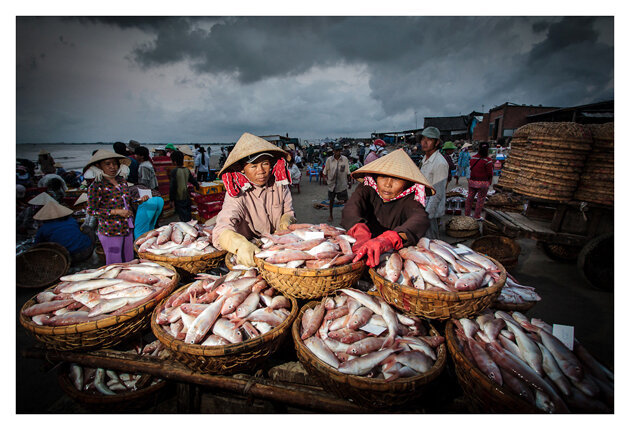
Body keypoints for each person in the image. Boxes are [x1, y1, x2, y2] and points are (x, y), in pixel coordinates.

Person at [211, 133, 296, 266]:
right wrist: (239, 244)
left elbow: (289, 211)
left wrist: (287, 218)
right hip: (252, 249)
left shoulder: (279, 184)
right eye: (253, 166)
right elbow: (222, 228)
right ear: (242, 169)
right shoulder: (237, 191)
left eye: (265, 164)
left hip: (277, 246)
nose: (261, 171)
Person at [342, 149, 434, 267]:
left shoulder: (410, 198)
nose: (388, 184)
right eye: (383, 177)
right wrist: (359, 229)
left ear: (407, 182)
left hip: (393, 254)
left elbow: (420, 218)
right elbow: (351, 207)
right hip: (362, 246)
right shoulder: (367, 189)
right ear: (376, 177)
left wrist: (391, 238)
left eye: (396, 179)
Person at [85, 149, 143, 265]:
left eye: (115, 163)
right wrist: (116, 212)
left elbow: (126, 201)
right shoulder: (96, 185)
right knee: (115, 263)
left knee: (129, 259)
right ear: (98, 166)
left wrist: (138, 200)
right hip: (110, 230)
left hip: (127, 226)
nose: (112, 167)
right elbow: (92, 210)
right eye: (107, 164)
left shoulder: (121, 181)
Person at [418, 127, 449, 239]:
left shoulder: (440, 163)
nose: (424, 142)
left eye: (429, 139)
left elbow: (438, 193)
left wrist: (426, 215)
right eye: (423, 139)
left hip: (430, 209)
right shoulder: (424, 159)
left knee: (430, 240)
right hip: (422, 204)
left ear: (436, 143)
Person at [322, 143, 351, 222]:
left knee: (345, 200)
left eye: (339, 150)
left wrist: (349, 182)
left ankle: (346, 215)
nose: (338, 152)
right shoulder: (329, 160)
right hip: (332, 184)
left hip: (342, 183)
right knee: (331, 200)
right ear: (333, 151)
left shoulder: (345, 159)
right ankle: (330, 215)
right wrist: (325, 180)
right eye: (336, 150)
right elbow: (324, 172)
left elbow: (348, 172)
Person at [465, 142, 494, 220]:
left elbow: (471, 168)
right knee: (480, 200)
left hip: (472, 182)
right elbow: (490, 173)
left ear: (479, 149)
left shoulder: (473, 158)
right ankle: (477, 216)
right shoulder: (488, 160)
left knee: (469, 198)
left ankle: (467, 214)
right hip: (483, 183)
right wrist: (489, 182)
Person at [169, 150, 199, 222]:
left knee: (182, 216)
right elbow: (193, 181)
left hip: (178, 198)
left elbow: (172, 187)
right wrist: (197, 186)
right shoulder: (186, 170)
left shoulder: (174, 171)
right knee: (188, 215)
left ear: (175, 162)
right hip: (186, 197)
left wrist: (171, 200)